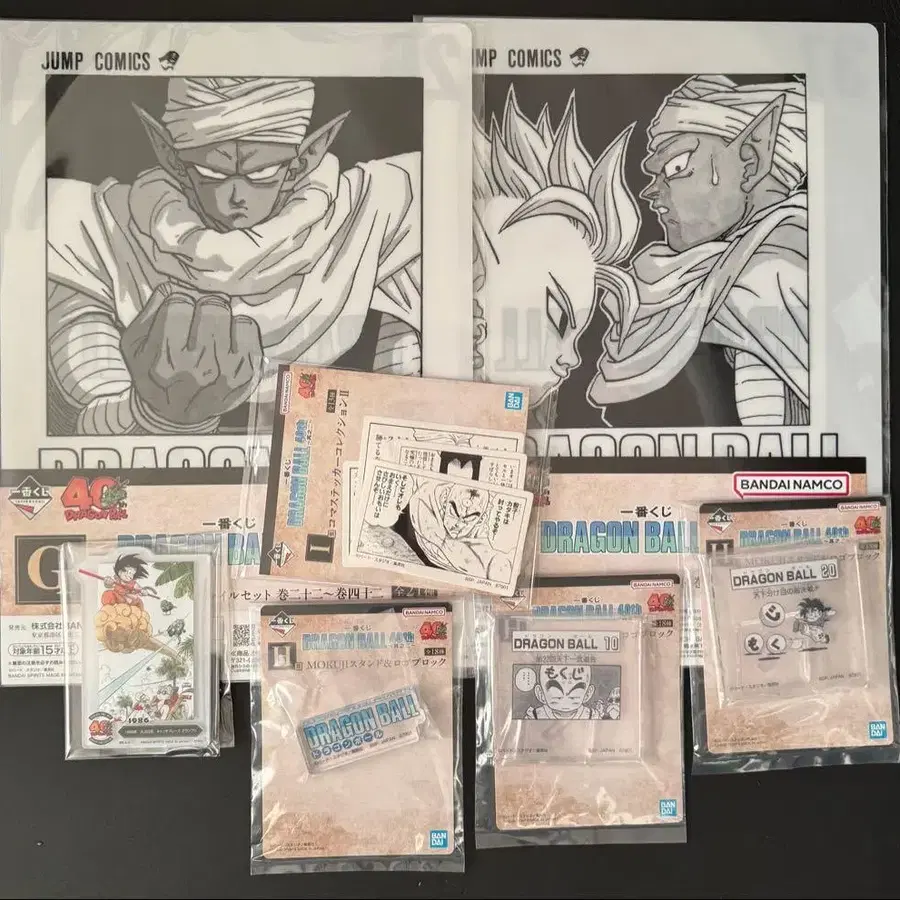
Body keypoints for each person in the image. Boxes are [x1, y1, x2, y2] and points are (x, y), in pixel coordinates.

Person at [48, 76, 421, 435]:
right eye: (211, 171)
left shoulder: (372, 216)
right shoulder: (102, 229)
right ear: (172, 159)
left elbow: (413, 397)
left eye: (263, 171)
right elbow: (87, 406)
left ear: (304, 160)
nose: (236, 196)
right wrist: (151, 414)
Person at [588, 75, 808, 426]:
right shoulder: (701, 279)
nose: (651, 192)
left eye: (676, 166)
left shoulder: (777, 269)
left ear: (750, 161)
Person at [524, 665, 603, 720]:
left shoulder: (591, 716)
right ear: (541, 694)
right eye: (557, 696)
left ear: (587, 694)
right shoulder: (535, 716)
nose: (565, 701)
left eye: (573, 697)